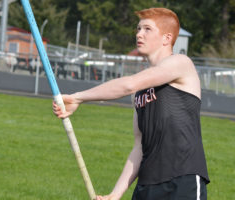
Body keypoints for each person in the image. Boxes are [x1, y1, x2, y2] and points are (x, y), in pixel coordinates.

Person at [53, 7, 209, 200]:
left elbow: (128, 84)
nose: (139, 34)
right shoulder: (140, 92)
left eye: (147, 29)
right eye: (138, 29)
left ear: (166, 38)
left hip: (181, 179)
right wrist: (115, 195)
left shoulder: (181, 63)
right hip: (146, 185)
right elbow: (139, 147)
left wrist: (77, 97)